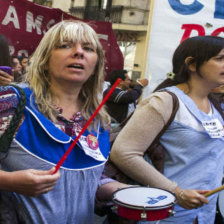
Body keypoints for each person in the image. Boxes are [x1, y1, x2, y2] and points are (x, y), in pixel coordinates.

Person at [0, 20, 127, 224]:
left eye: (88, 48)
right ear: (44, 59)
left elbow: (86, 181)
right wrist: (8, 181)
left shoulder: (99, 120)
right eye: (65, 45)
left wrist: (119, 190)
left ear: (95, 65)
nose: (79, 53)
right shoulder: (10, 102)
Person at [110, 36, 224, 224]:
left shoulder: (214, 104)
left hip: (205, 214)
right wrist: (176, 192)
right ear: (192, 64)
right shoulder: (164, 101)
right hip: (164, 215)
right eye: (220, 58)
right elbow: (124, 153)